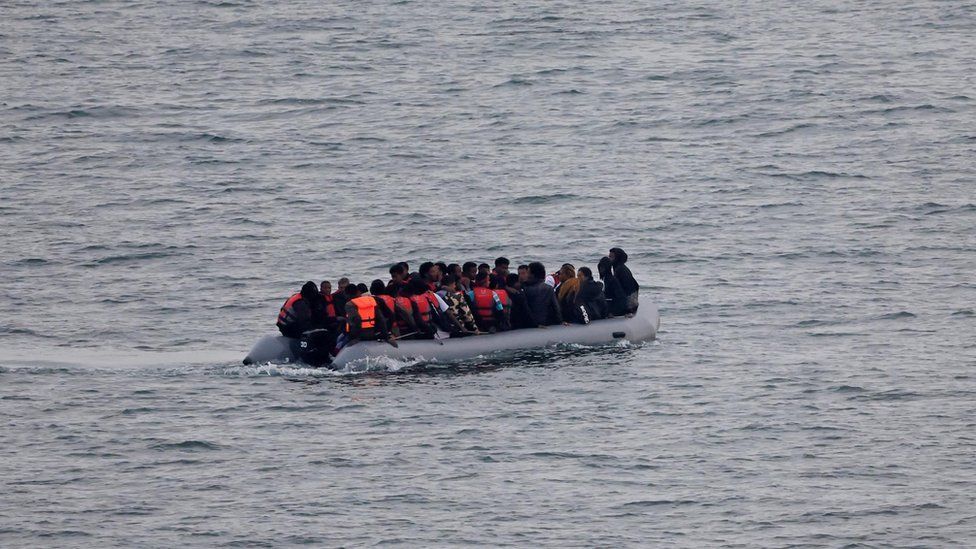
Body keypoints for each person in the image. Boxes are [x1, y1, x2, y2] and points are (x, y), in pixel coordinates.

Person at [341, 283, 395, 348]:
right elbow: (381, 319)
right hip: (373, 333)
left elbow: (357, 320)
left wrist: (355, 337)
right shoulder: (371, 300)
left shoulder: (349, 305)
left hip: (359, 335)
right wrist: (386, 336)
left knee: (340, 344)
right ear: (358, 292)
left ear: (346, 295)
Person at [523, 262, 562, 326]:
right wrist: (560, 321)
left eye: (528, 272)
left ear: (532, 275)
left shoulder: (524, 288)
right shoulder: (549, 288)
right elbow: (556, 308)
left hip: (528, 324)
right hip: (546, 322)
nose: (526, 275)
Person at [609, 247, 639, 313]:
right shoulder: (622, 268)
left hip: (629, 305)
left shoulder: (619, 270)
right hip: (633, 303)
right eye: (609, 257)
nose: (609, 259)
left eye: (611, 257)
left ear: (617, 258)